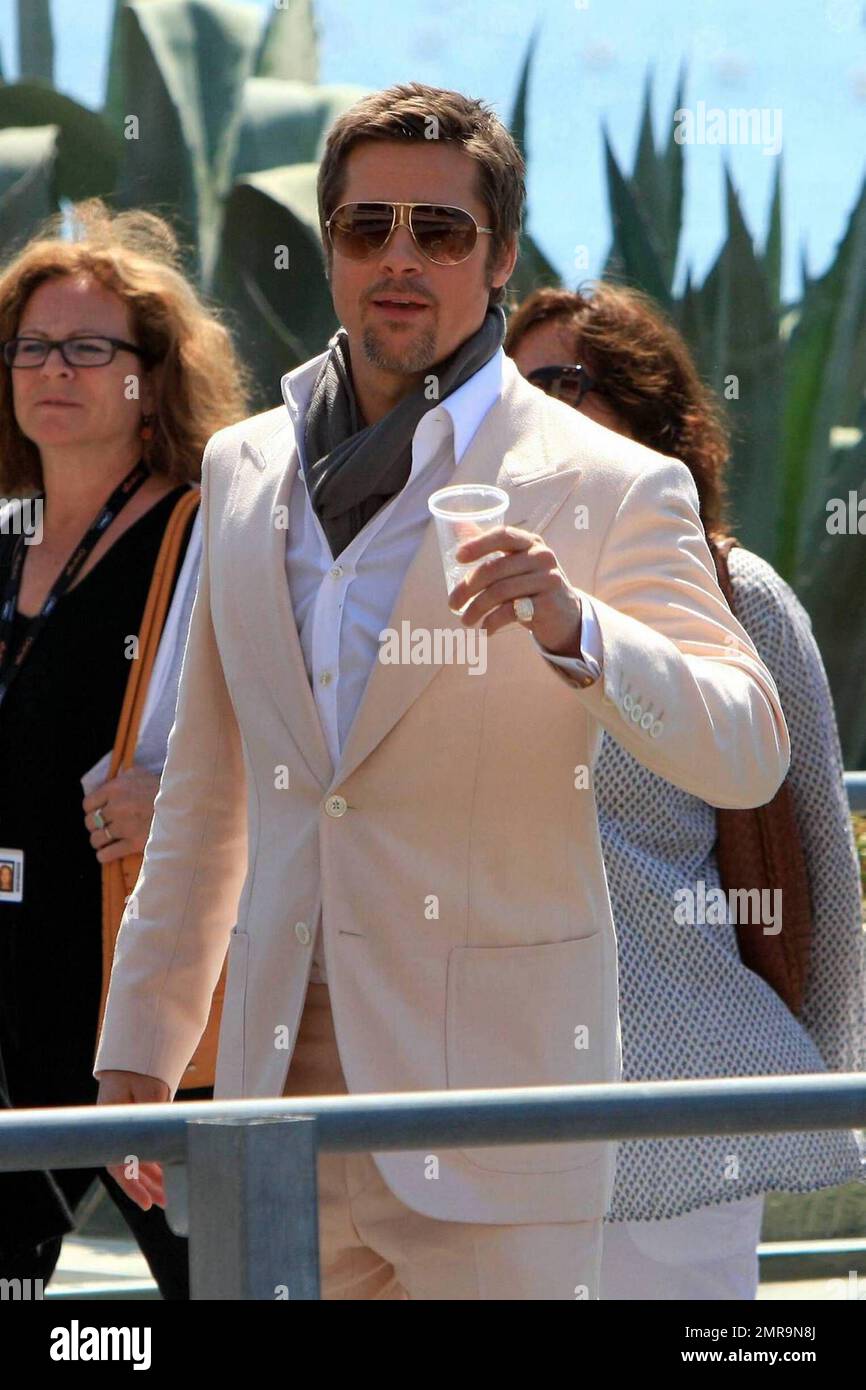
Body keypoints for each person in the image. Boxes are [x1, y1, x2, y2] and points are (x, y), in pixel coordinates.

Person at [93, 82, 790, 1302]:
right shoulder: (242, 465)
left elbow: (746, 750)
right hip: (275, 1092)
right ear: (328, 250)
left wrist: (580, 628)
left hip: (499, 1102)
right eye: (367, 228)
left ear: (501, 254)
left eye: (440, 230)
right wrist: (140, 1054)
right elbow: (209, 795)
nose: (399, 258)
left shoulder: (609, 483)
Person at [507, 280, 866, 1300]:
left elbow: (816, 870)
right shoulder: (460, 601)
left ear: (649, 415)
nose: (529, 410)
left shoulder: (733, 593)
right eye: (510, 389)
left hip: (687, 1093)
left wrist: (825, 1082)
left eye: (559, 383)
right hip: (498, 1095)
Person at [0, 199, 251, 1297]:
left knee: (226, 1282)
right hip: (11, 998)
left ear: (154, 373)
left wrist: (193, 795)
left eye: (91, 348)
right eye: (33, 347)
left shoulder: (209, 531)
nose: (57, 369)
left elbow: (298, 738)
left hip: (147, 997)